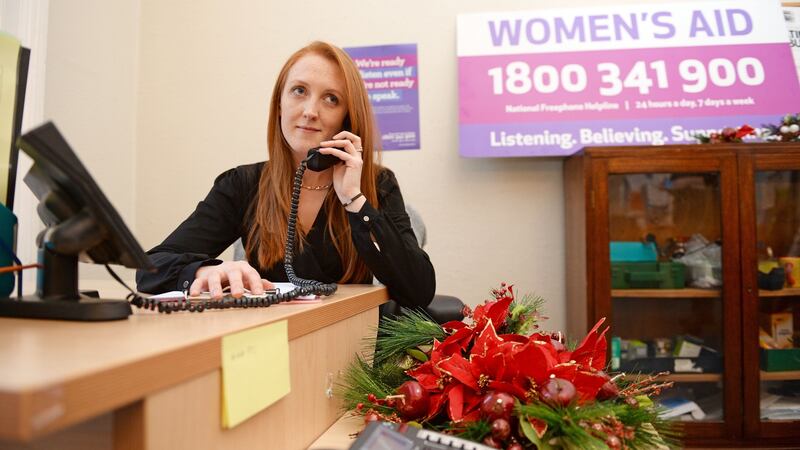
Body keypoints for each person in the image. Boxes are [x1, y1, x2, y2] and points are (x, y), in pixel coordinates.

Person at [136, 41, 435, 309]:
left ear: (347, 117)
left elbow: (418, 291)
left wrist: (355, 201)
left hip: (351, 347)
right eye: (299, 91)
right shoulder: (242, 184)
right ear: (279, 104)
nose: (309, 111)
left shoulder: (377, 185)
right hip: (266, 346)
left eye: (331, 99)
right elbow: (151, 268)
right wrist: (205, 271)